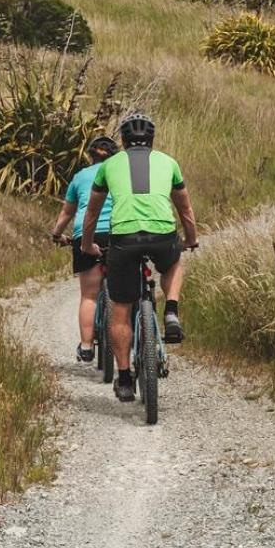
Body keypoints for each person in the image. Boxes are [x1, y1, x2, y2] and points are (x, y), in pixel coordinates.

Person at [81, 111, 199, 403]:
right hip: (162, 233)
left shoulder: (108, 166)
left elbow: (92, 213)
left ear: (122, 139)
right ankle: (171, 310)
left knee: (120, 309)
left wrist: (86, 244)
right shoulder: (169, 162)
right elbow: (185, 210)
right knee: (172, 263)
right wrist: (191, 239)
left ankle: (123, 377)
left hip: (124, 238)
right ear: (152, 140)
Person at [50, 135, 118, 363]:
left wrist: (57, 234)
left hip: (85, 233)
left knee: (89, 294)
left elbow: (67, 213)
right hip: (117, 231)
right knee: (123, 292)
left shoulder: (80, 177)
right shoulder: (119, 172)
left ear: (91, 156)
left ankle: (87, 346)